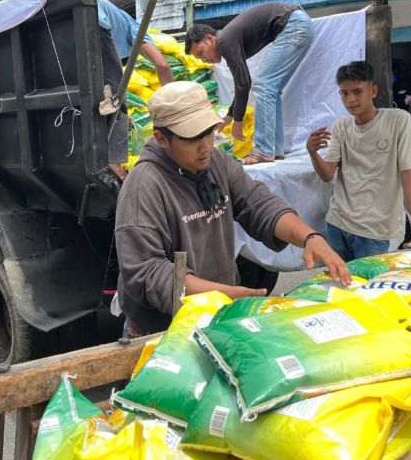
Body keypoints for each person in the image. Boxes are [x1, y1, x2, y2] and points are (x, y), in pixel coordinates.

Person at [114, 81, 351, 336]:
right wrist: (222, 294)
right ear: (162, 138)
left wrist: (309, 237)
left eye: (208, 132)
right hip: (165, 331)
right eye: (192, 138)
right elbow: (148, 272)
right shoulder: (144, 186)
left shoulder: (215, 162)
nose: (205, 146)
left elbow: (256, 202)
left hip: (218, 317)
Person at [306, 61, 411, 260]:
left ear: (373, 91)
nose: (351, 99)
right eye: (344, 93)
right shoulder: (341, 126)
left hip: (375, 231)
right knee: (340, 287)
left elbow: (408, 173)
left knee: (369, 288)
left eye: (357, 92)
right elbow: (327, 174)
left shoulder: (398, 120)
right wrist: (312, 152)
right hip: (337, 224)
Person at [185, 3, 314, 165]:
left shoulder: (225, 41)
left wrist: (238, 121)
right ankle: (275, 150)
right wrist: (230, 115)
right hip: (298, 24)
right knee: (271, 89)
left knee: (264, 85)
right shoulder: (227, 39)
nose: (204, 59)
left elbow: (243, 83)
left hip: (293, 26)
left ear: (210, 39)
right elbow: (242, 82)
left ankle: (263, 150)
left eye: (200, 53)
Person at [96, 0, 174, 178]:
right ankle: (114, 164)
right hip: (96, 24)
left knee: (98, 98)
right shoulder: (135, 28)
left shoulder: (118, 27)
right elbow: (162, 65)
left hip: (75, 23)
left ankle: (100, 157)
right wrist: (174, 100)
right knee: (117, 97)